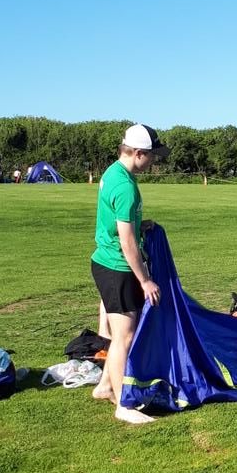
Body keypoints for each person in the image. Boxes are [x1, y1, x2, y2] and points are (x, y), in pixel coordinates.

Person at [90, 124, 169, 423]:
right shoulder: (125, 187)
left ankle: (104, 386)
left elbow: (119, 223)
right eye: (152, 156)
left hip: (107, 263)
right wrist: (145, 280)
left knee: (122, 335)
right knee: (124, 337)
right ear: (137, 153)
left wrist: (140, 224)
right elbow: (127, 243)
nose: (153, 161)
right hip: (117, 269)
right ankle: (124, 405)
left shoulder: (113, 173)